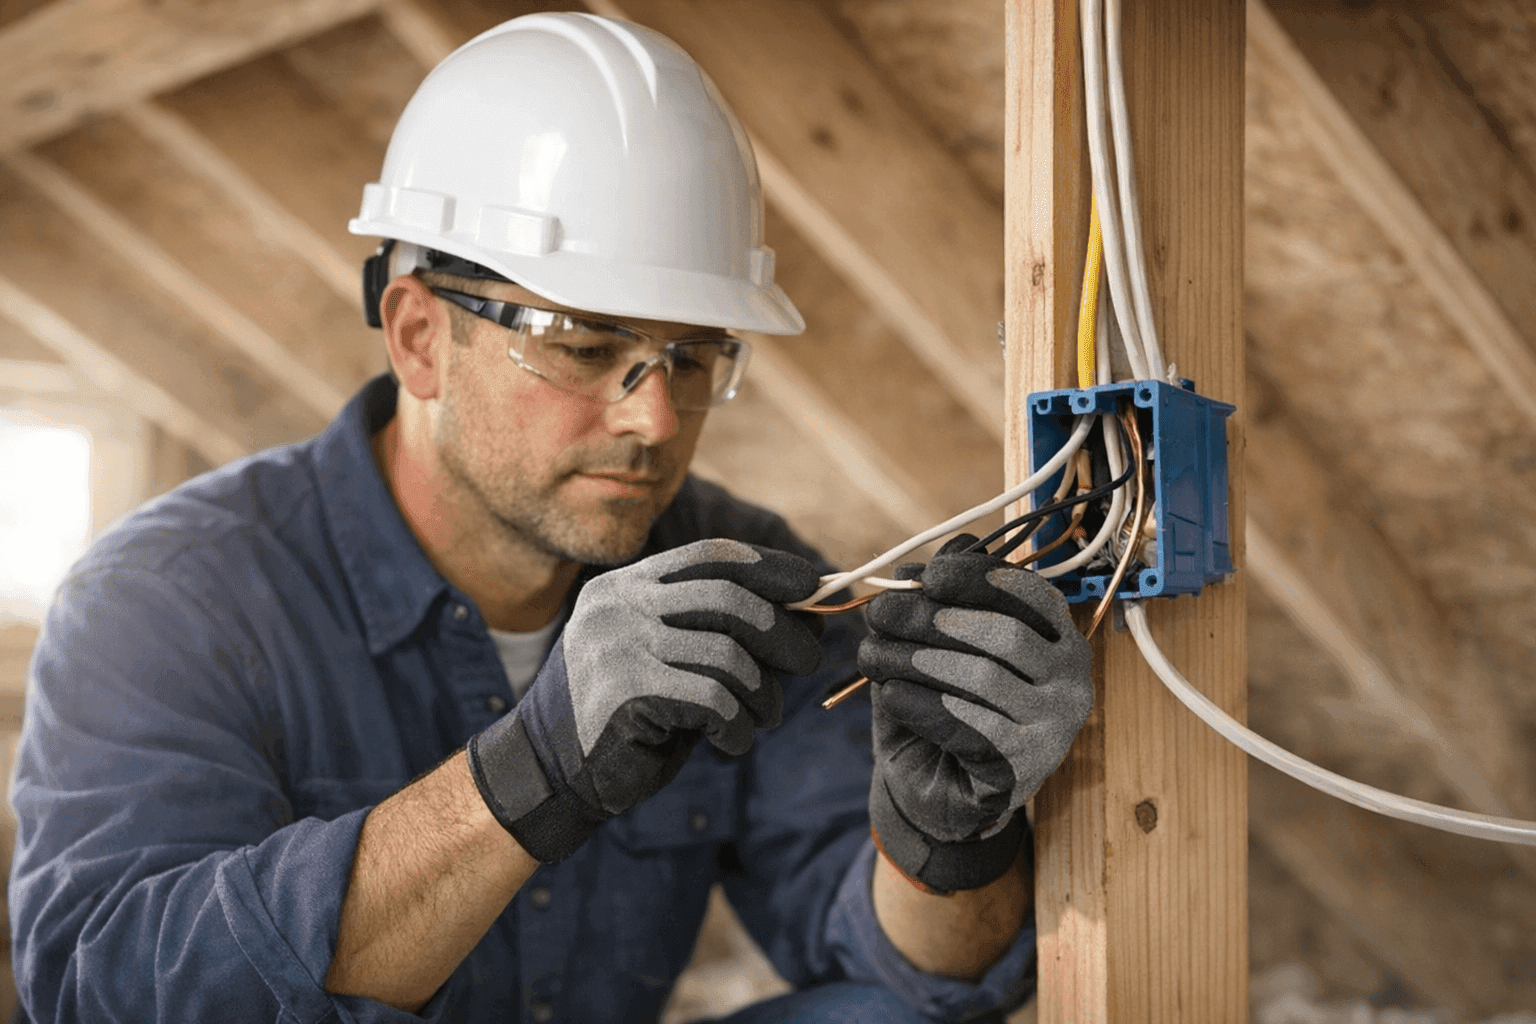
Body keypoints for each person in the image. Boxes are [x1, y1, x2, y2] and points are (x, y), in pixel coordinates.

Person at [8, 13, 1092, 1024]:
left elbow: (920, 980)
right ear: (420, 335)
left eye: (694, 355)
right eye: (583, 346)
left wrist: (946, 840)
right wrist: (528, 776)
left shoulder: (732, 580)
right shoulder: (168, 600)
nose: (657, 414)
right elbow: (110, 988)